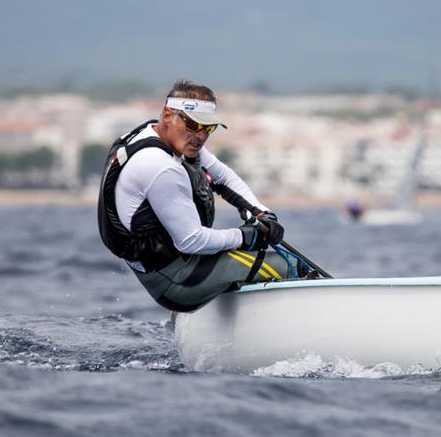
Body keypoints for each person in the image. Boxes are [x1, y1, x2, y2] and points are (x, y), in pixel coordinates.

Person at [98, 80, 305, 312]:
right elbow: (190, 240)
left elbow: (224, 177)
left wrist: (262, 213)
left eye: (208, 128)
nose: (200, 136)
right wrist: (246, 237)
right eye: (193, 124)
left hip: (180, 266)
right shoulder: (160, 166)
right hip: (176, 282)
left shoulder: (159, 137)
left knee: (254, 255)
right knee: (292, 266)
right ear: (168, 115)